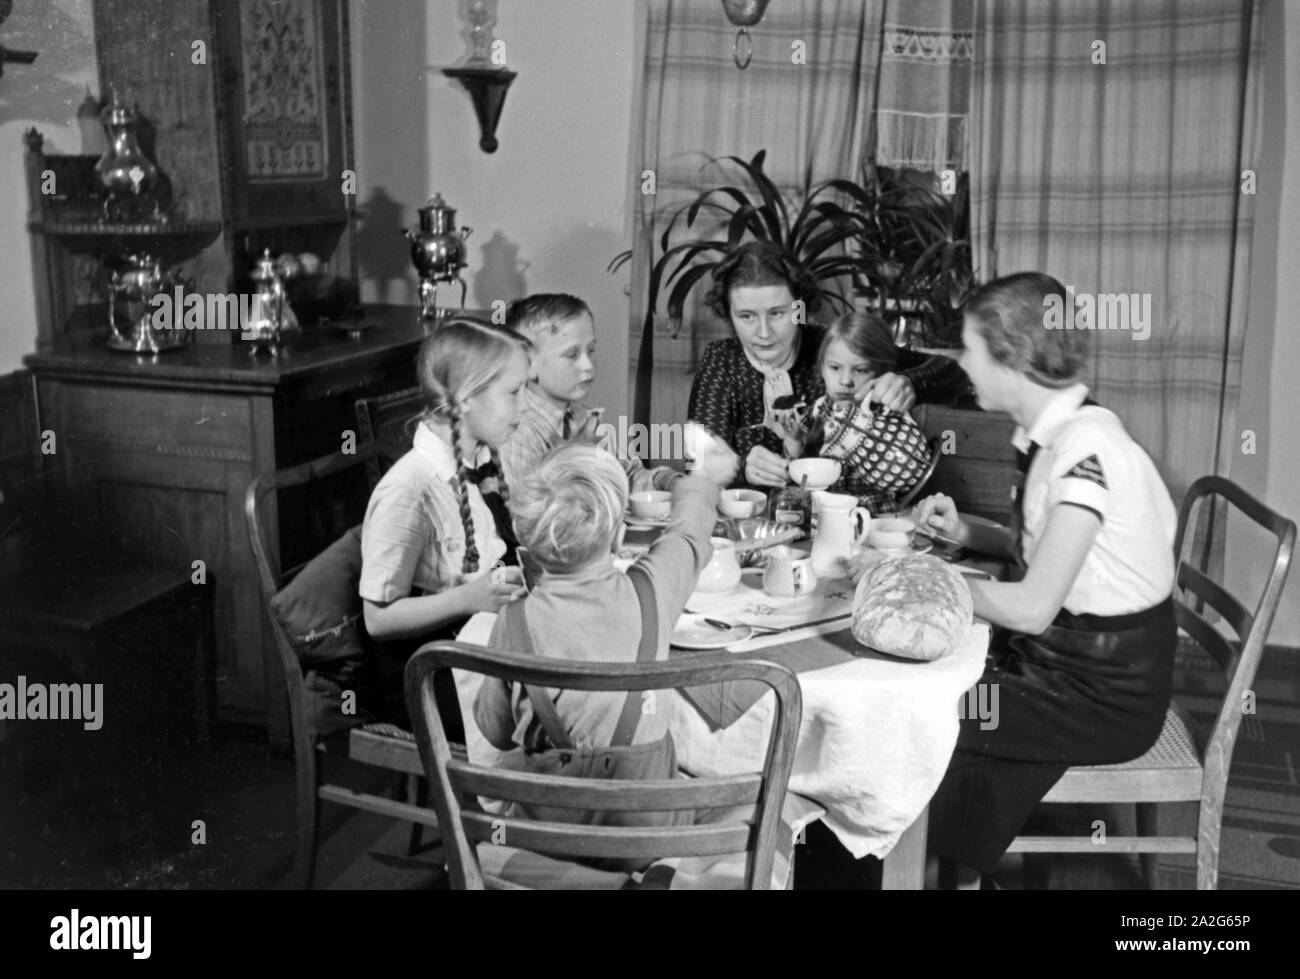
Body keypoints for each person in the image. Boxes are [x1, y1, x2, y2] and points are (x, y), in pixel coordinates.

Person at [859, 272, 1178, 886]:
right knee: (931, 689)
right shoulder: (1060, 433)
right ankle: (950, 867)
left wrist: (918, 581)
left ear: (1011, 358)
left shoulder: (1088, 454)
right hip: (1064, 664)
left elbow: (1032, 606)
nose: (961, 363)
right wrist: (968, 534)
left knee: (932, 710)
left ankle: (914, 867)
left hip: (1099, 695)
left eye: (970, 348)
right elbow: (1049, 554)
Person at [475, 433, 738, 770]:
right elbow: (688, 533)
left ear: (525, 535)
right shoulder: (652, 591)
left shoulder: (513, 621)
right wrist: (702, 477)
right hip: (648, 819)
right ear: (618, 537)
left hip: (549, 818)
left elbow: (494, 730)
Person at [687, 241, 967, 490]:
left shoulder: (831, 347)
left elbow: (953, 372)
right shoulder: (721, 360)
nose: (764, 333)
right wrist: (742, 471)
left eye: (777, 313)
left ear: (799, 307)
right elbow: (697, 465)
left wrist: (911, 384)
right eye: (746, 316)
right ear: (729, 315)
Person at [360, 317, 530, 644]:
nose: (524, 406)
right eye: (513, 392)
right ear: (465, 398)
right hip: (447, 665)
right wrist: (467, 598)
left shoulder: (482, 460)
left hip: (495, 637)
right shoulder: (409, 489)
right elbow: (378, 620)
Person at [499, 293, 681, 494]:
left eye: (591, 350)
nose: (588, 365)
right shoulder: (516, 435)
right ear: (528, 364)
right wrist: (574, 457)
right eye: (572, 355)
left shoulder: (584, 418)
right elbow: (528, 516)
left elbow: (625, 475)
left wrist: (668, 481)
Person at [779, 310, 933, 515]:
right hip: (822, 518)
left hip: (872, 518)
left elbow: (904, 478)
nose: (845, 381)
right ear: (822, 368)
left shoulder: (887, 414)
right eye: (835, 368)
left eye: (860, 370)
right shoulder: (816, 411)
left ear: (881, 373)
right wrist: (793, 439)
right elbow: (798, 474)